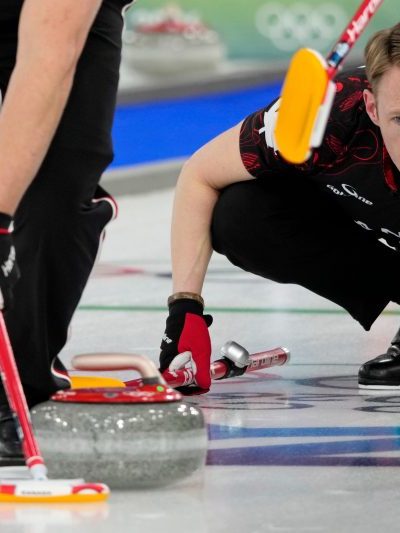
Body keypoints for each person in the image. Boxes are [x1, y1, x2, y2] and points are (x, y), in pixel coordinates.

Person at [160, 22, 400, 394]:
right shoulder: (329, 115)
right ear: (372, 106)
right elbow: (199, 175)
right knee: (242, 215)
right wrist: (184, 311)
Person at [0, 0, 134, 462]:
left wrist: (1, 223)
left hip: (64, 18)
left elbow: (50, 55)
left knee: (58, 185)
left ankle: (18, 380)